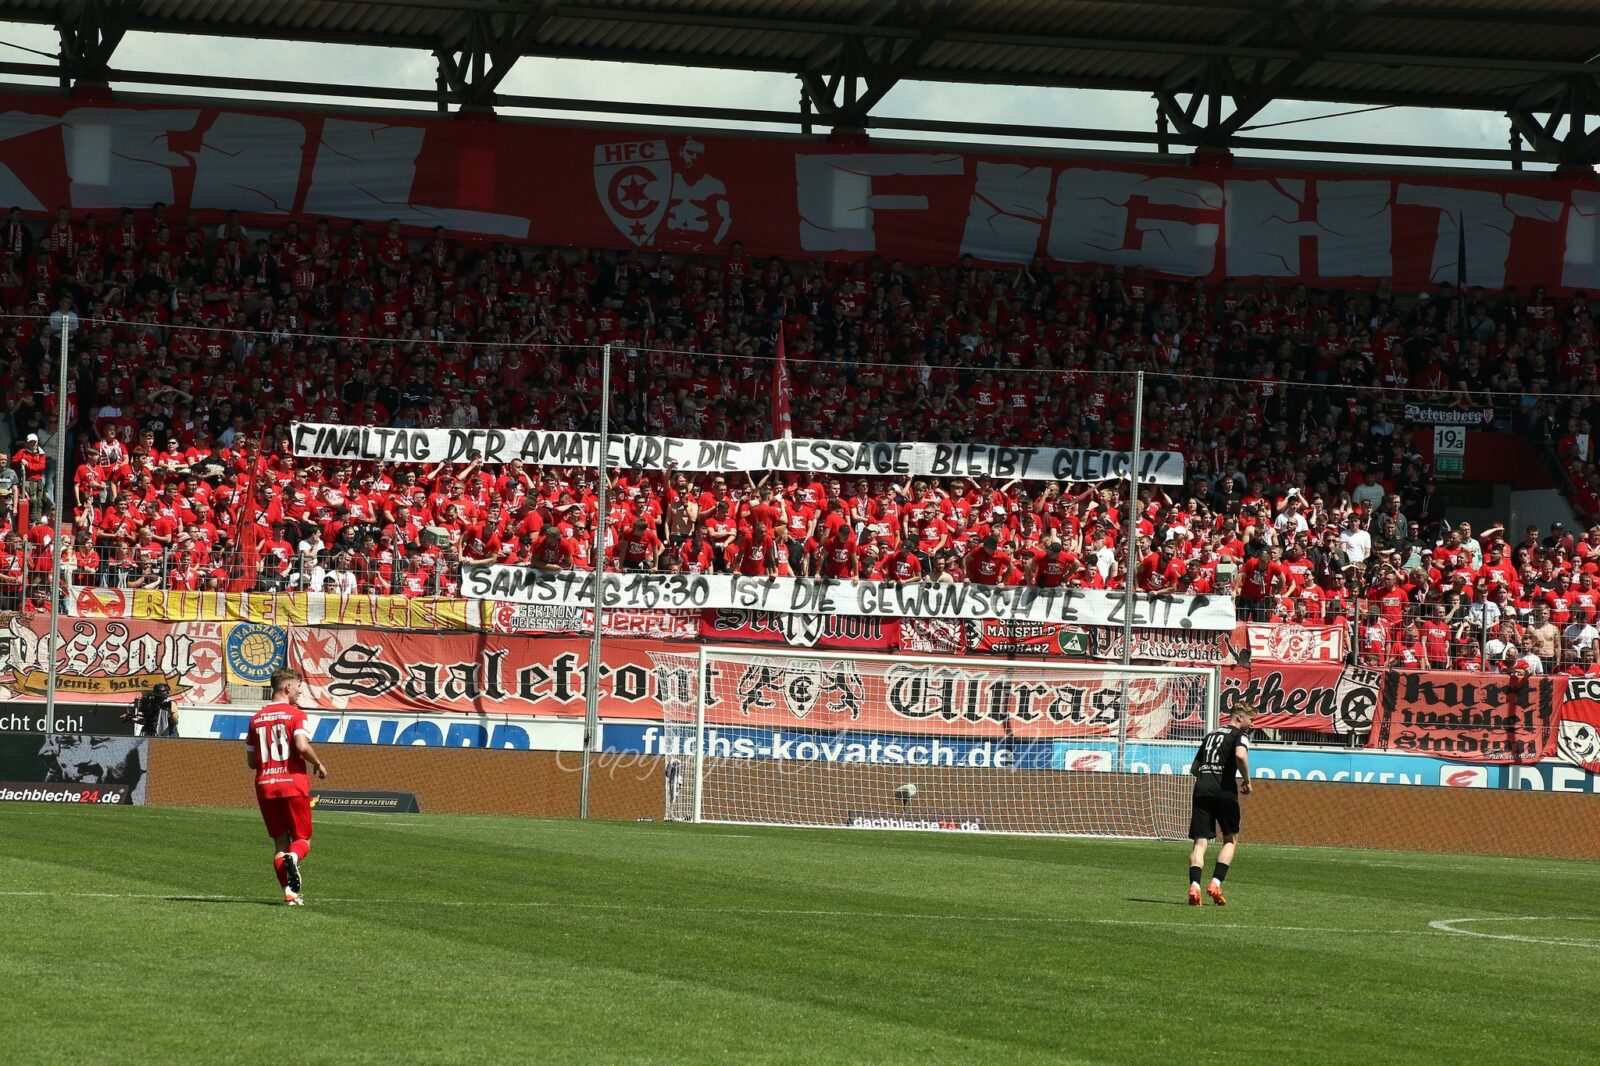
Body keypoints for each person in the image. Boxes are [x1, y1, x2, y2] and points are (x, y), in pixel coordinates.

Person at [245, 667, 328, 906]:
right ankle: (294, 857)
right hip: (293, 784)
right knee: (303, 839)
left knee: (280, 843)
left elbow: (251, 762)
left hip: (265, 786)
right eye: (299, 687)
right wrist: (318, 762)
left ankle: (290, 893)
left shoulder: (256, 719)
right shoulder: (296, 715)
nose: (300, 691)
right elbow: (301, 746)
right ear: (288, 687)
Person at [1187, 699, 1254, 906]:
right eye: (1251, 720)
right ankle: (1215, 883)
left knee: (1200, 842)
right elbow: (1240, 755)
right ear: (1239, 718)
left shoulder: (1210, 735)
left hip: (1201, 791)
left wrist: (1208, 775)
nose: (1252, 724)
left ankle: (1195, 885)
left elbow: (1194, 768)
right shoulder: (1239, 735)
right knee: (1230, 840)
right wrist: (1247, 780)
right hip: (1224, 793)